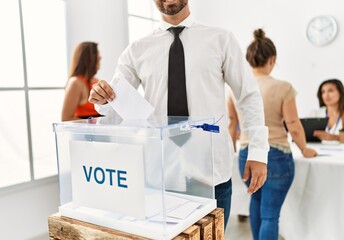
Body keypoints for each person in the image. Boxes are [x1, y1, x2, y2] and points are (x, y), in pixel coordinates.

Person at [89, 0, 269, 229]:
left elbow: (248, 95)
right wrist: (102, 99)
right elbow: (115, 104)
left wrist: (258, 151)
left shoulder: (221, 39)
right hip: (160, 174)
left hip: (211, 172)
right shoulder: (136, 50)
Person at [227, 29, 317, 240]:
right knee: (270, 215)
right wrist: (304, 148)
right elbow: (293, 124)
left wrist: (233, 149)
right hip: (276, 155)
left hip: (245, 154)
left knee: (256, 204)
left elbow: (233, 123)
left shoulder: (235, 89)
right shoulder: (283, 88)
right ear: (273, 59)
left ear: (249, 60)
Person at [61, 42, 102, 121]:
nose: (100, 58)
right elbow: (66, 118)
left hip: (100, 131)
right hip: (85, 132)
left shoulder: (96, 81)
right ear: (90, 58)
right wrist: (93, 124)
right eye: (98, 56)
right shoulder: (75, 83)